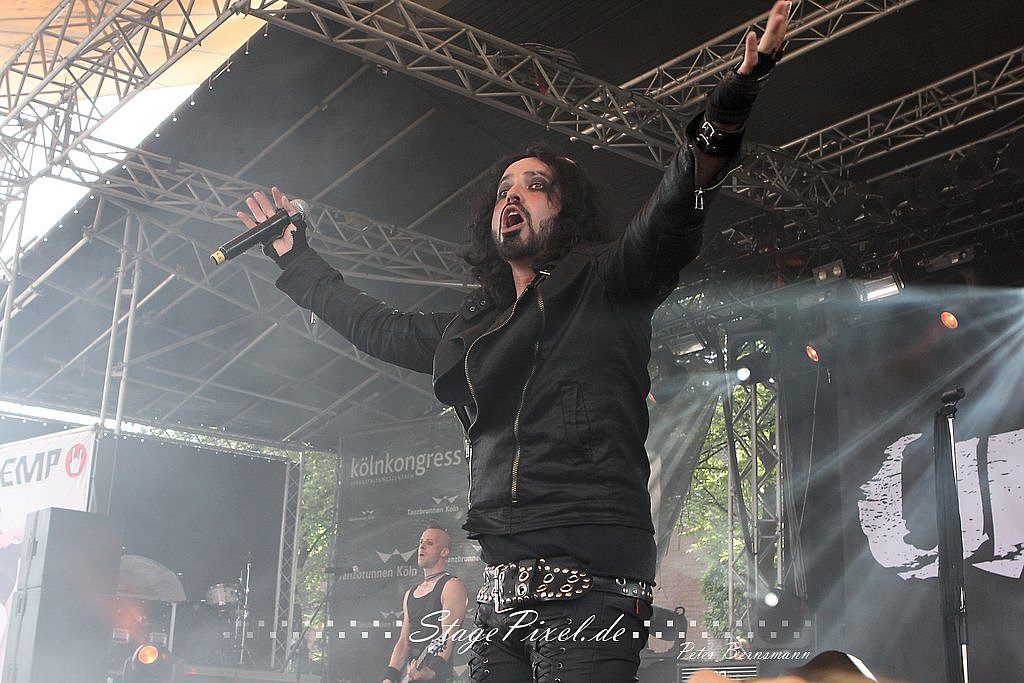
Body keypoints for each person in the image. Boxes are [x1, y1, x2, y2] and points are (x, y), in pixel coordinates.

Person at [237, 3, 790, 680]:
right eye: (504, 189)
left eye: (535, 186)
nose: (513, 196)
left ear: (566, 210)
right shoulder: (474, 329)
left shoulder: (606, 282)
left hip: (592, 585)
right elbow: (376, 326)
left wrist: (735, 95)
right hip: (501, 599)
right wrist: (296, 260)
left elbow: (676, 203)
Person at [382, 525, 467, 683]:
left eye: (429, 543)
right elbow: (403, 642)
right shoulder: (410, 594)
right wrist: (389, 677)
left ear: (444, 552)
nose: (422, 546)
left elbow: (447, 636)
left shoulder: (451, 586)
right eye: (421, 542)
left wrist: (431, 670)